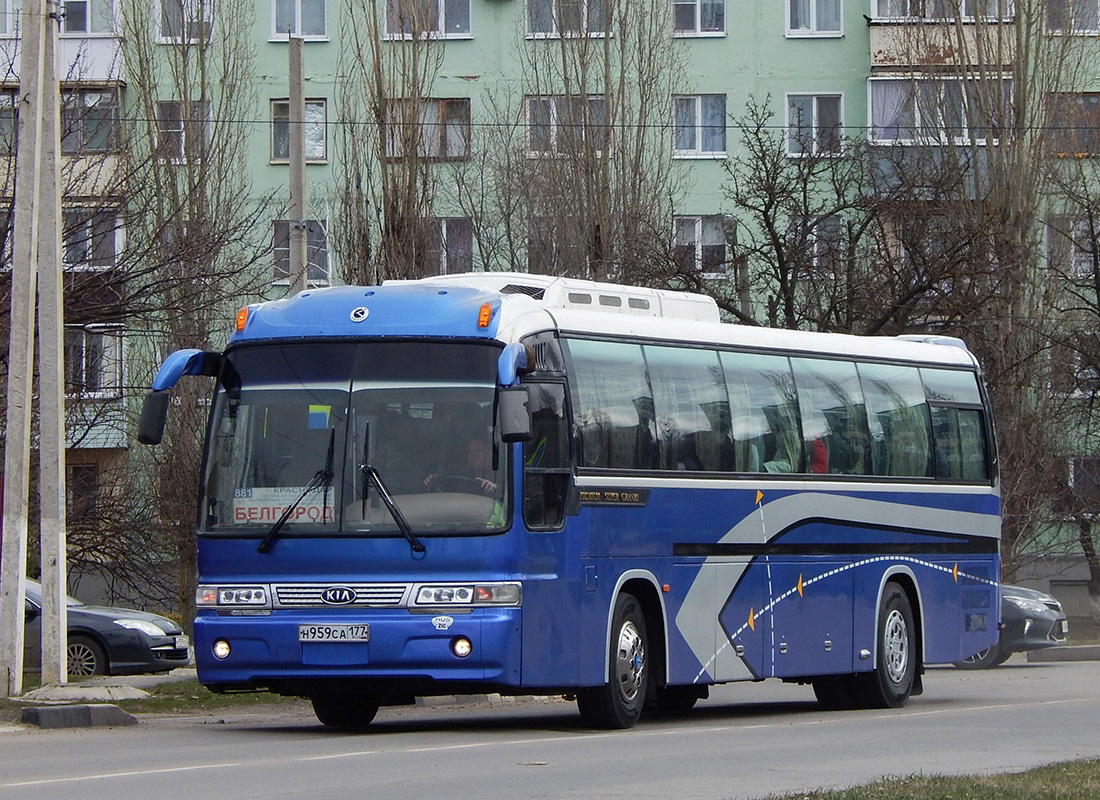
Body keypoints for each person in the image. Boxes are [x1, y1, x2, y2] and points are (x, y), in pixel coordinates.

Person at [424, 438, 498, 495]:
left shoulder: (499, 476)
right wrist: (433, 484)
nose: (473, 454)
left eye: (478, 450)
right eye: (470, 451)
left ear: (489, 453)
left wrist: (493, 488)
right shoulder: (459, 478)